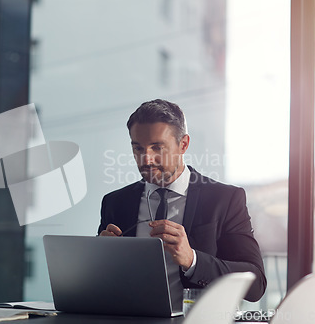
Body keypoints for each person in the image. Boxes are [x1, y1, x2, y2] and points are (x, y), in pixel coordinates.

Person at [98, 99, 266, 304]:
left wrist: (192, 260)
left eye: (157, 147)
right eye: (138, 149)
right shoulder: (115, 203)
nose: (146, 159)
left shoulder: (224, 199)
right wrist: (102, 259)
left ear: (183, 144)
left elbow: (255, 284)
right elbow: (101, 284)